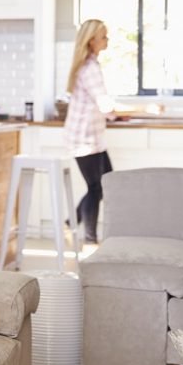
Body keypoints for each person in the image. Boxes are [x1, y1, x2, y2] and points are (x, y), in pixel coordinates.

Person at [63, 19, 119, 244]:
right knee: (97, 187)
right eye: (104, 36)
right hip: (84, 138)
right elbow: (105, 104)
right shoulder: (90, 68)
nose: (107, 40)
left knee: (106, 183)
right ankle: (90, 239)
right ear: (92, 40)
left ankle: (71, 222)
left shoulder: (88, 65)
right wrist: (144, 109)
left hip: (92, 137)